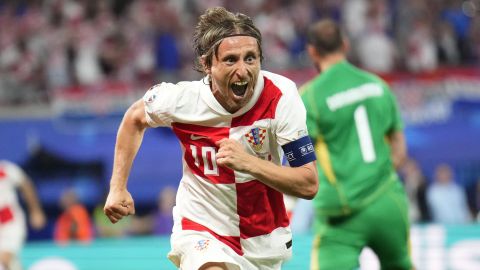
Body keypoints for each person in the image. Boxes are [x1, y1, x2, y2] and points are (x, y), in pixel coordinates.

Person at [103, 7, 318, 270]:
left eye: (251, 58)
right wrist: (117, 187)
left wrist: (248, 163)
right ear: (207, 64)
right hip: (202, 227)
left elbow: (308, 183)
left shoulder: (281, 97)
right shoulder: (182, 100)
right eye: (231, 60)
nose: (243, 70)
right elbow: (134, 118)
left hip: (262, 238)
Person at [301, 19, 413, 270]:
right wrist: (377, 179)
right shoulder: (378, 85)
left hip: (342, 212)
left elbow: (302, 161)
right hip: (388, 200)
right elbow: (400, 149)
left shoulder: (310, 97)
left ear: (312, 52)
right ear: (345, 45)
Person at [0, 160, 46, 270]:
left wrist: (36, 211)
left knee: (3, 260)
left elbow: (26, 184)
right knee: (11, 264)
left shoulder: (5, 170)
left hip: (10, 224)